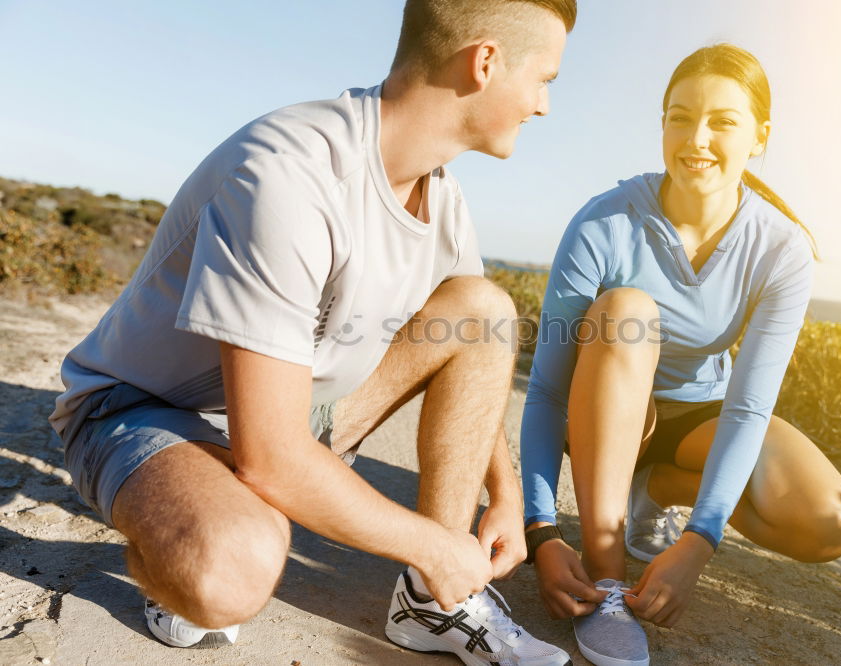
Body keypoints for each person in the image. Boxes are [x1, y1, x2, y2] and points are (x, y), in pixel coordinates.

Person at [48, 1, 577, 663]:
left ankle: (431, 605)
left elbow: (475, 344)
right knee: (232, 564)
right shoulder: (288, 173)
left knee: (483, 307)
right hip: (141, 413)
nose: (544, 105)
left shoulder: (444, 199)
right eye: (545, 79)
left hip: (292, 409)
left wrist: (501, 493)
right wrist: (434, 544)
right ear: (486, 62)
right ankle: (184, 534)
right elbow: (269, 457)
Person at [519, 44, 841, 666]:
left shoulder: (780, 248)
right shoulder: (604, 222)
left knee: (827, 524)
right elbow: (544, 391)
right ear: (662, 125)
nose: (696, 137)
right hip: (597, 410)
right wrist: (541, 532)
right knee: (627, 310)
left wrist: (700, 540)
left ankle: (655, 488)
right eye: (679, 117)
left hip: (696, 414)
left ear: (759, 136)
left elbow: (749, 407)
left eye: (722, 121)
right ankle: (608, 578)